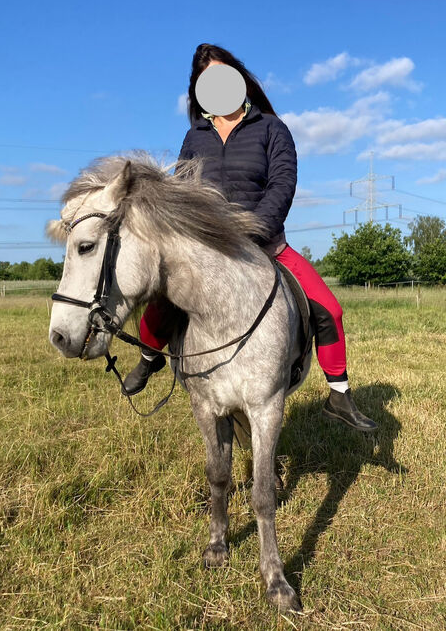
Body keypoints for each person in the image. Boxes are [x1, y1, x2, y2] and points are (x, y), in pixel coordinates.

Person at [123, 43, 378, 432]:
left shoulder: (272, 128)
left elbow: (282, 184)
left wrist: (252, 232)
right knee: (162, 302)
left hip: (266, 245)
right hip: (207, 250)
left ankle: (338, 393)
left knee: (329, 310)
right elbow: (182, 192)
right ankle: (148, 359)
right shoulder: (195, 136)